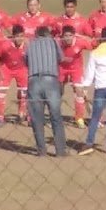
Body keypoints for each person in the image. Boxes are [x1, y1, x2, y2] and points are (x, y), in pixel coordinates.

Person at [25, 26, 69, 158]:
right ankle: (60, 151)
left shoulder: (30, 44)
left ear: (36, 34)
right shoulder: (54, 42)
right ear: (48, 34)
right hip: (51, 80)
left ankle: (41, 150)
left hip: (33, 81)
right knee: (55, 116)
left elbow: (25, 61)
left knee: (37, 118)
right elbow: (61, 58)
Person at [0, 25, 30, 126]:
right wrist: (0, 71)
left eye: (22, 36)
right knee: (1, 93)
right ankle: (0, 117)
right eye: (17, 36)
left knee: (23, 93)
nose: (20, 38)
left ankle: (21, 114)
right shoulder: (5, 45)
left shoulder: (28, 45)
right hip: (7, 69)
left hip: (21, 69)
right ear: (13, 36)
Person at [58, 24, 91, 128]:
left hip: (76, 69)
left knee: (79, 91)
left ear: (73, 36)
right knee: (58, 91)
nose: (67, 38)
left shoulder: (80, 42)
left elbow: (93, 45)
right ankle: (56, 115)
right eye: (65, 36)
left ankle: (79, 117)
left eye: (70, 35)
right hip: (61, 68)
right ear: (62, 36)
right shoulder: (57, 42)